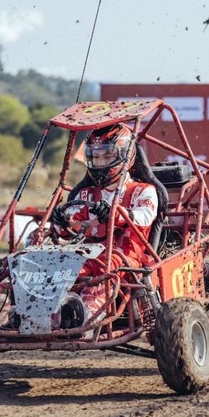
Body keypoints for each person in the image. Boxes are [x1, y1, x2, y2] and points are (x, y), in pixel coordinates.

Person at [49, 124, 159, 315]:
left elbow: (144, 216)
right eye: (96, 157)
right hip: (91, 254)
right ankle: (41, 313)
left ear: (125, 155)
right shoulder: (86, 194)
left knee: (105, 268)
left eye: (107, 156)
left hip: (127, 257)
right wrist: (62, 222)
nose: (100, 162)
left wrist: (115, 214)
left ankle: (85, 316)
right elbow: (73, 226)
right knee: (63, 268)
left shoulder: (143, 191)